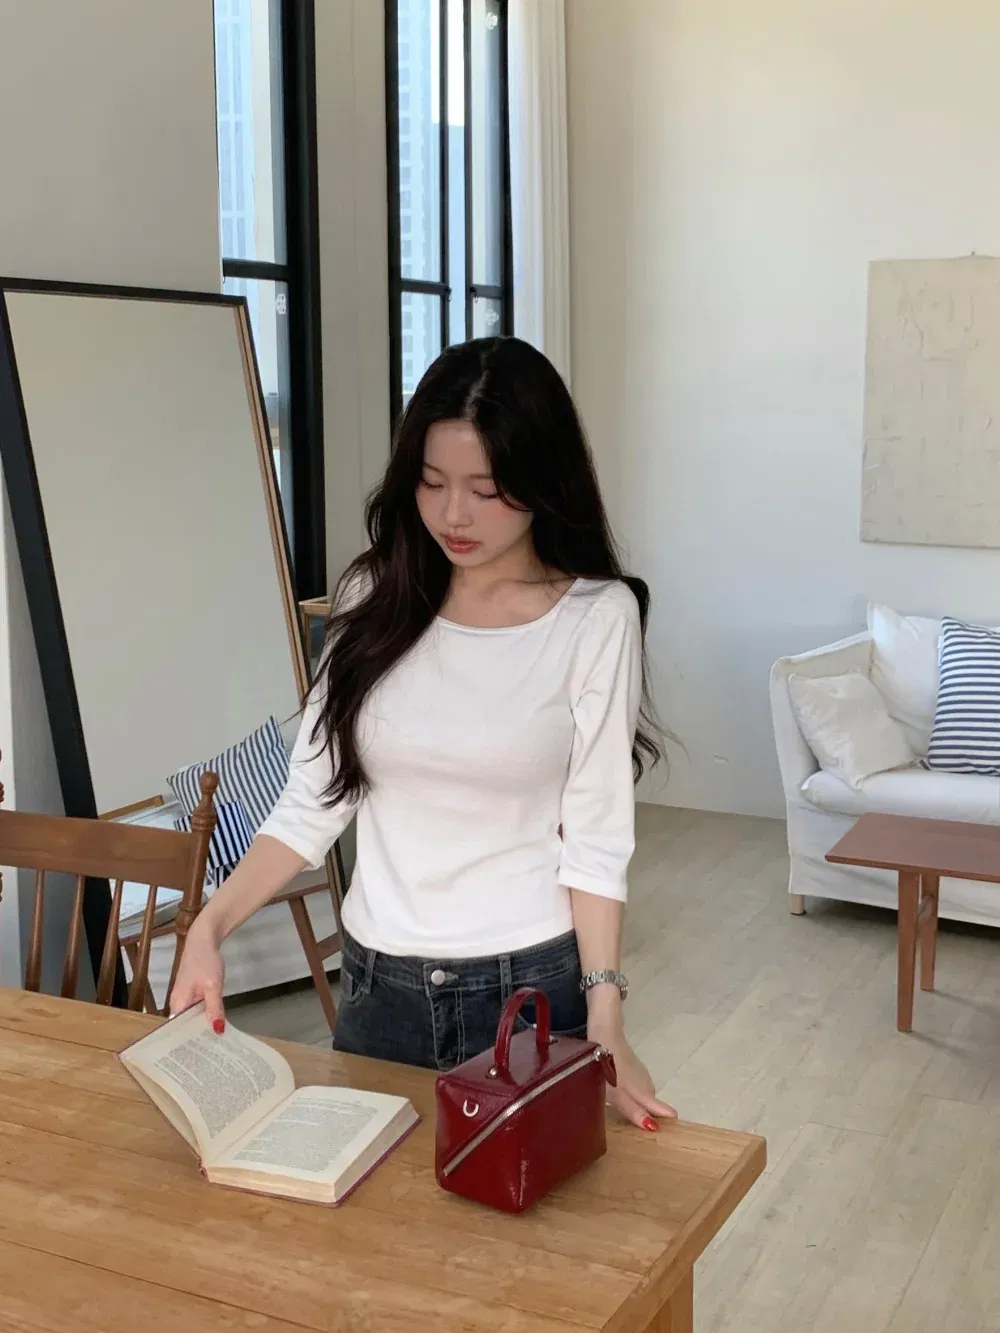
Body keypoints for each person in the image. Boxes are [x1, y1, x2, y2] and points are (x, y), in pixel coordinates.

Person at [171, 335, 676, 1131]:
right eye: (432, 482)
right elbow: (311, 803)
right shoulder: (373, 596)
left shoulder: (596, 618)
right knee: (360, 1205)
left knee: (522, 1212)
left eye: (487, 489)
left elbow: (597, 840)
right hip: (377, 990)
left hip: (526, 991)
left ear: (543, 480)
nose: (453, 514)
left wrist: (606, 1015)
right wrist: (209, 926)